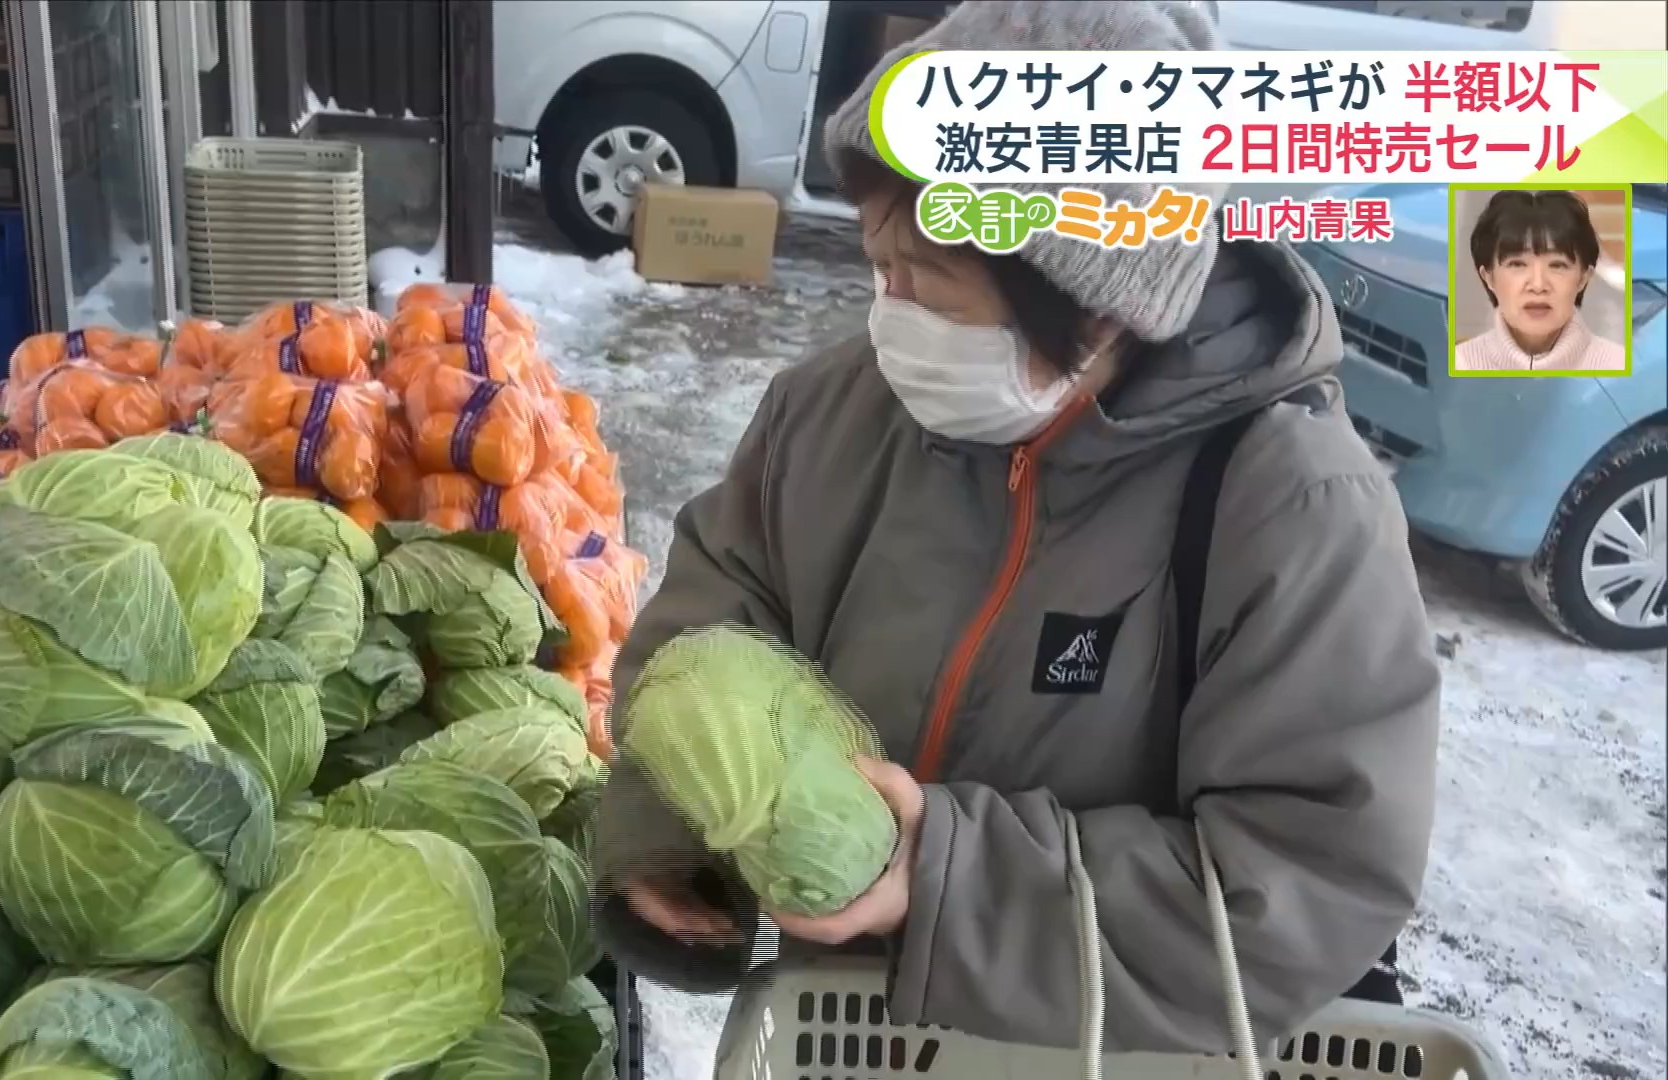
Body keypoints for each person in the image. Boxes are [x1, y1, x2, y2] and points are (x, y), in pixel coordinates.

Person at [591, 0, 1439, 1055]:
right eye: (881, 264)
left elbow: (1302, 884)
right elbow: (714, 621)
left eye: (934, 282)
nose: (893, 311)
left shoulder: (1293, 510)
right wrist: (671, 828)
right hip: (851, 1038)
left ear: (1097, 301)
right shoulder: (831, 412)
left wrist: (943, 876)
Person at [1454, 189, 1626, 373]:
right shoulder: (1459, 363)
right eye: (1517, 264)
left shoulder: (1619, 364)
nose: (1538, 286)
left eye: (1557, 265)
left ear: (1583, 278)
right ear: (1488, 277)